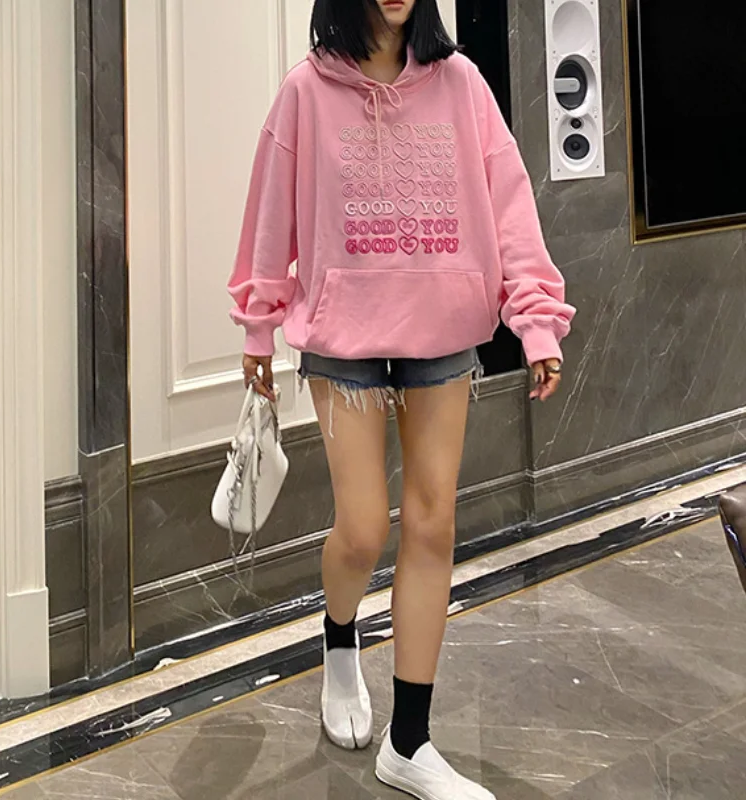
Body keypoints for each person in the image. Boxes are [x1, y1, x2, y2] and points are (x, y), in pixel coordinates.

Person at [228, 1, 575, 797]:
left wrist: (535, 321)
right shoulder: (305, 92)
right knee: (361, 529)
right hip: (342, 337)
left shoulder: (462, 84)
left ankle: (409, 742)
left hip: (443, 332)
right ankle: (338, 638)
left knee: (431, 522)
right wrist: (258, 330)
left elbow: (510, 204)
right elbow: (270, 216)